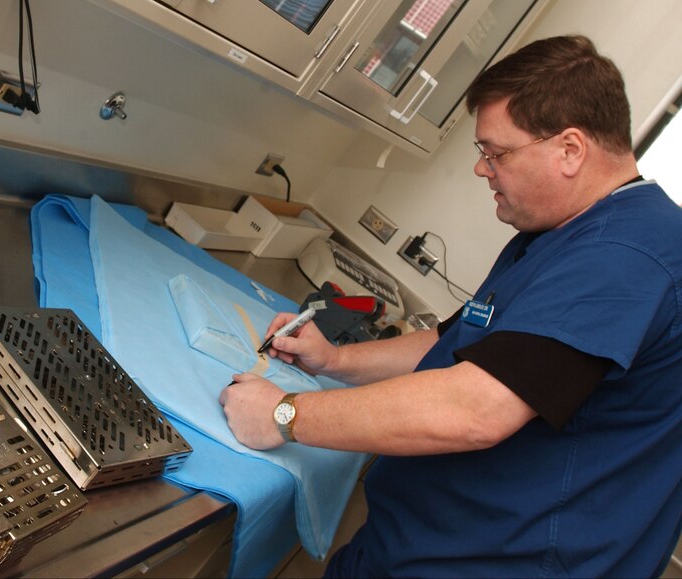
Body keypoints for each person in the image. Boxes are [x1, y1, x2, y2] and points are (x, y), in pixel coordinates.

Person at [219, 35, 682, 578]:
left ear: (570, 149)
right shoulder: (561, 233)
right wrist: (337, 362)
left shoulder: (628, 257)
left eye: (496, 153)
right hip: (416, 540)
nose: (482, 170)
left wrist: (285, 415)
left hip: (497, 561)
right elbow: (460, 340)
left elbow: (477, 408)